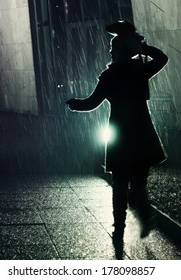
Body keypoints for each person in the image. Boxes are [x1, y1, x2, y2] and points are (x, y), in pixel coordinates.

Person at [66, 21, 168, 242]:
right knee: (139, 184)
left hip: (120, 133)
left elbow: (92, 102)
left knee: (119, 184)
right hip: (141, 132)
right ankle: (145, 216)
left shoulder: (109, 76)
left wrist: (75, 104)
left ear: (119, 51)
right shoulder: (139, 71)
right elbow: (162, 59)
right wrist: (143, 47)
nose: (111, 51)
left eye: (113, 48)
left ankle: (119, 228)